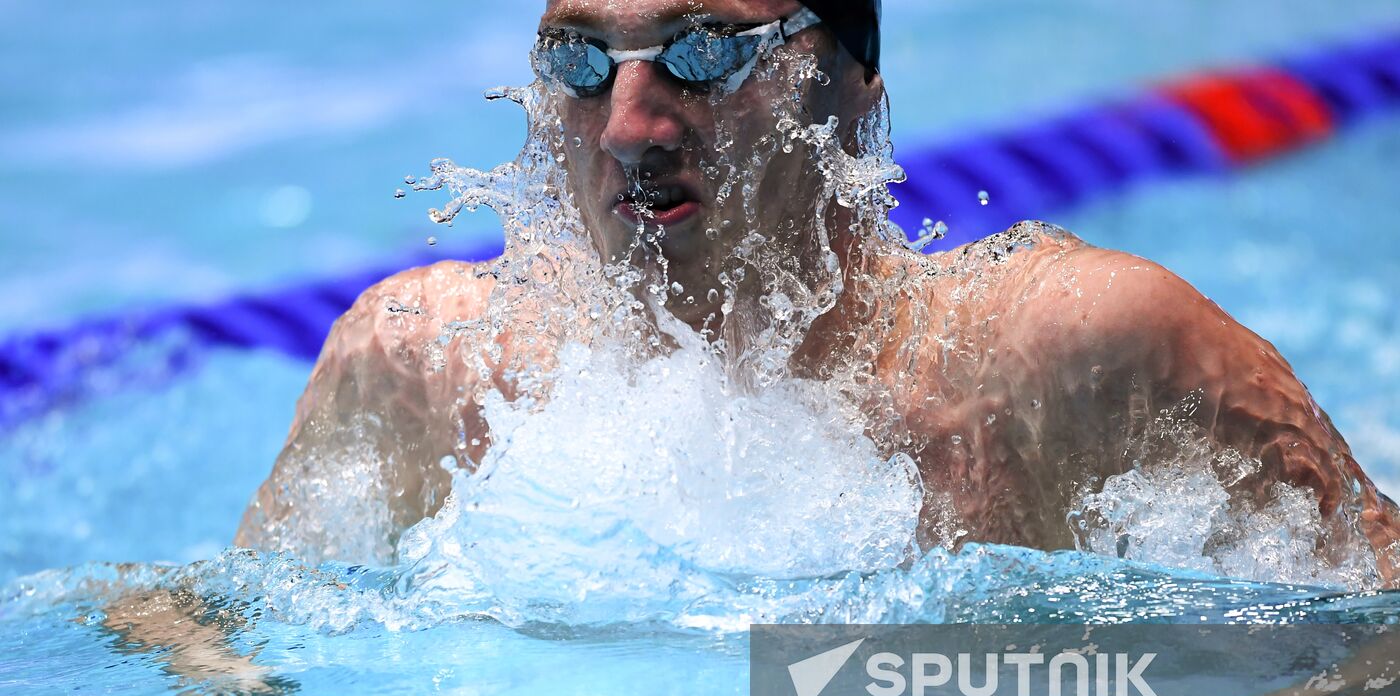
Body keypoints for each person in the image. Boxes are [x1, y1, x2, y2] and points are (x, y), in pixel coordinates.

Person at [234, 0, 1400, 584]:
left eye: (704, 54)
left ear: (852, 92)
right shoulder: (423, 365)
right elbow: (211, 643)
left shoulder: (1069, 348)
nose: (629, 129)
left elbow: (1376, 648)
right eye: (579, 63)